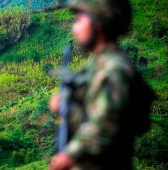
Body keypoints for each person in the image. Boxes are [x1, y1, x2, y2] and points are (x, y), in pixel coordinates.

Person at [48, 0, 152, 169]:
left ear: (97, 23)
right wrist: (65, 105)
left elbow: (106, 123)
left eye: (79, 20)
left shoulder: (114, 69)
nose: (75, 28)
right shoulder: (96, 65)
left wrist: (69, 155)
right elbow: (91, 112)